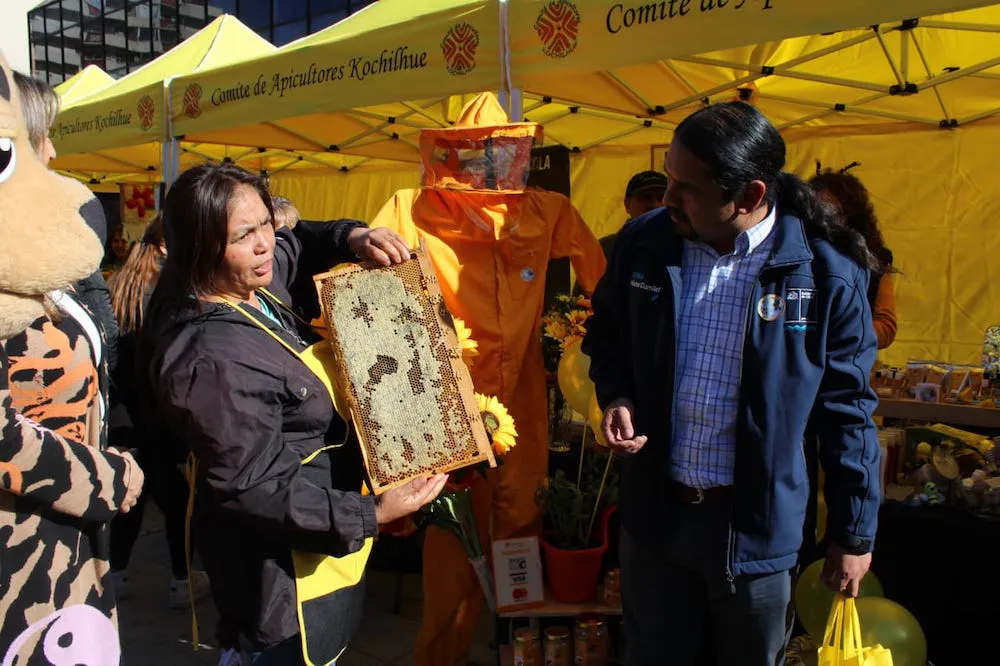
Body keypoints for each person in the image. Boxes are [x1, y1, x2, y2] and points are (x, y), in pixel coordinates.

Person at [582, 102, 882, 666]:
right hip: (656, 525)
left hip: (755, 534)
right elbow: (607, 333)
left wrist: (854, 533)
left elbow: (848, 409)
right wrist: (617, 393)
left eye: (686, 187)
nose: (668, 197)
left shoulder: (824, 272)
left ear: (748, 196)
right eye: (668, 177)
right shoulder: (644, 244)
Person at [139, 163, 447, 664]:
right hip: (278, 574)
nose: (264, 243)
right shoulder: (209, 358)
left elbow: (296, 239)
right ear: (199, 247)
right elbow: (252, 487)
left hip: (323, 541)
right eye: (244, 235)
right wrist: (370, 513)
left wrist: (355, 237)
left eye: (264, 222)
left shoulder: (252, 282)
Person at [0, 52, 143, 662]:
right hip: (21, 550)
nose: (54, 155)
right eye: (41, 141)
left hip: (67, 539)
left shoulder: (38, 268)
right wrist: (109, 478)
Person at [106, 213, 213, 607]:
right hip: (157, 416)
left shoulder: (119, 284)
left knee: (132, 496)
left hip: (122, 417)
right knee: (177, 502)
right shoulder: (167, 290)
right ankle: (182, 580)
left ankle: (114, 576)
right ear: (168, 245)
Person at [811, 163, 897, 349]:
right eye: (817, 212)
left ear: (850, 217)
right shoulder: (791, 256)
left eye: (832, 213)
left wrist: (844, 334)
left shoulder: (873, 259)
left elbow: (886, 326)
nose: (824, 222)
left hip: (845, 364)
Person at [597, 170, 668, 258]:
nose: (655, 205)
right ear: (627, 205)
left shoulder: (680, 246)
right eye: (645, 197)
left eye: (662, 198)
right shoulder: (607, 248)